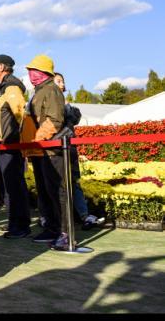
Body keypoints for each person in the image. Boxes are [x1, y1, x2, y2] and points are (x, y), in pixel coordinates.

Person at [22, 55, 68, 250]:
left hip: (50, 150)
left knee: (56, 192)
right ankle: (52, 228)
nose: (31, 74)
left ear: (44, 73)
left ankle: (64, 232)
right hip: (40, 150)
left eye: (34, 70)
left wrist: (38, 139)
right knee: (45, 192)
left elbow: (54, 120)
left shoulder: (51, 90)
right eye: (30, 71)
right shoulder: (39, 91)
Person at [0, 54, 31, 239]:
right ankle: (15, 223)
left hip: (11, 144)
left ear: (2, 67)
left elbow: (21, 114)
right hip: (4, 144)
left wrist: (16, 139)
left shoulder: (11, 87)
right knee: (10, 186)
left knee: (15, 186)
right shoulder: (3, 88)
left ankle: (20, 226)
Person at [53, 72, 104, 231]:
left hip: (70, 149)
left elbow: (75, 118)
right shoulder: (49, 104)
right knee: (57, 184)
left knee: (74, 182)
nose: (61, 84)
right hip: (55, 150)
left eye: (62, 81)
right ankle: (57, 218)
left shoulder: (68, 106)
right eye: (58, 81)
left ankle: (83, 215)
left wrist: (67, 107)